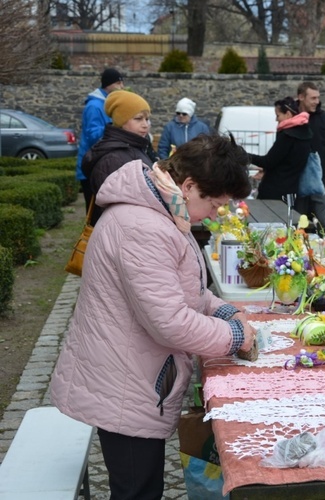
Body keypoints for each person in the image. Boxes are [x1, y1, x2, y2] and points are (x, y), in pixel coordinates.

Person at [50, 134, 256, 500]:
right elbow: (170, 321)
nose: (215, 214)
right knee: (137, 490)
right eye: (215, 204)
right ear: (189, 186)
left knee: (141, 486)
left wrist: (223, 310)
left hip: (132, 374)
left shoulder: (161, 210)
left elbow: (180, 290)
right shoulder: (143, 227)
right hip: (125, 386)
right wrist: (235, 337)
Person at [82, 90, 157, 226]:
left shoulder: (135, 147)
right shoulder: (113, 159)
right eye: (138, 118)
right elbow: (120, 211)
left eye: (147, 119)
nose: (145, 124)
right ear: (121, 121)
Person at [295, 81, 325, 233]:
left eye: (318, 98)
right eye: (313, 98)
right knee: (298, 223)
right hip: (297, 180)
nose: (317, 101)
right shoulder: (293, 117)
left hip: (320, 181)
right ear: (301, 97)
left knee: (322, 224)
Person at [76, 68, 125, 210]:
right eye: (118, 83)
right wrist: (113, 126)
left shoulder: (106, 103)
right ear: (108, 84)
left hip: (100, 164)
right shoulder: (94, 106)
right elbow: (92, 136)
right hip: (91, 167)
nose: (121, 87)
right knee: (94, 213)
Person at [249, 97, 313, 203]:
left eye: (278, 115)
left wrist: (243, 155)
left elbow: (268, 161)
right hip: (292, 190)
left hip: (275, 192)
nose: (276, 120)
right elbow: (286, 161)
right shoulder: (306, 133)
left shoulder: (287, 136)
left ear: (288, 114)